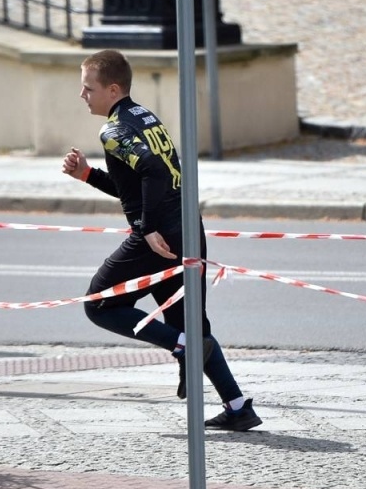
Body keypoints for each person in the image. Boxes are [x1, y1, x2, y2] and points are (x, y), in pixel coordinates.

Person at [60, 49, 261, 431]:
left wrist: (148, 228)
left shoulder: (114, 130)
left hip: (158, 236)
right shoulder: (144, 116)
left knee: (99, 304)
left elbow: (152, 171)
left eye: (88, 88)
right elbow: (136, 185)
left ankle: (183, 347)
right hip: (186, 227)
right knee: (189, 324)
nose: (82, 95)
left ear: (113, 88)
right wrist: (88, 175)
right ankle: (237, 406)